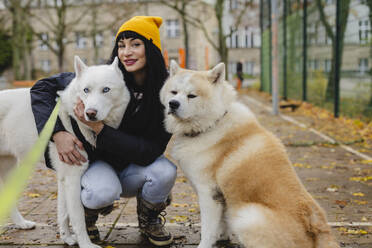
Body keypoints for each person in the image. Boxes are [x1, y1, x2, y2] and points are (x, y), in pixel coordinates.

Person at [30, 16, 176, 246]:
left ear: (152, 48)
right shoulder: (105, 76)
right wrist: (58, 134)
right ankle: (89, 214)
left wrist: (98, 129)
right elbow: (41, 88)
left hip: (133, 166)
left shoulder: (167, 91)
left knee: (165, 171)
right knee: (101, 192)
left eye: (136, 44)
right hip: (99, 164)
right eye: (121, 45)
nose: (126, 52)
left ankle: (149, 218)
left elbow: (151, 150)